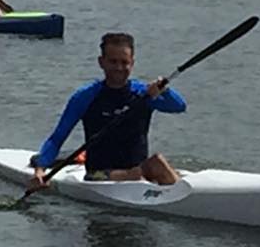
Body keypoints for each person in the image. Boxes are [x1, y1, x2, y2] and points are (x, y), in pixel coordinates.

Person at [28, 32, 186, 190]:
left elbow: (179, 106)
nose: (119, 68)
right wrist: (40, 170)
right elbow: (57, 138)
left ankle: (180, 193)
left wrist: (164, 90)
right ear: (101, 62)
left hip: (138, 171)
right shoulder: (85, 96)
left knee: (156, 162)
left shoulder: (143, 94)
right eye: (113, 61)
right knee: (141, 171)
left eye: (124, 62)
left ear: (132, 63)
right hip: (98, 175)